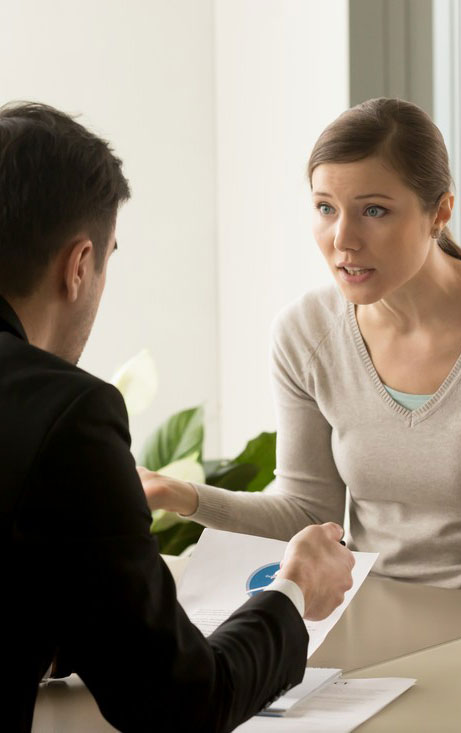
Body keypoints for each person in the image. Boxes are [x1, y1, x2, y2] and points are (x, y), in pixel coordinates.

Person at [0, 102, 355, 733]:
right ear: (79, 265)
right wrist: (293, 593)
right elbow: (180, 703)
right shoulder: (66, 411)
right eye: (325, 208)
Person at [141, 97, 461, 593]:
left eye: (374, 210)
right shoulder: (305, 334)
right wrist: (179, 495)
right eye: (326, 208)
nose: (343, 239)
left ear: (440, 212)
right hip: (370, 617)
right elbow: (306, 513)